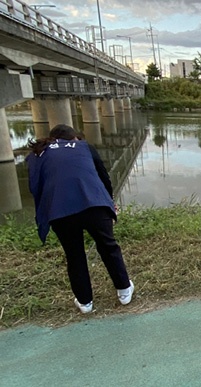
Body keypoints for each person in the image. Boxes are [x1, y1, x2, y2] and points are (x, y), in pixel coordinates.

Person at [27, 124, 134, 314]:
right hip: (94, 204)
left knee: (74, 255)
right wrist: (109, 203)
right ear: (72, 138)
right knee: (108, 246)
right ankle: (124, 291)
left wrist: (46, 212)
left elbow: (36, 187)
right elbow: (103, 177)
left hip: (60, 210)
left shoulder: (39, 154)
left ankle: (85, 303)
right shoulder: (84, 147)